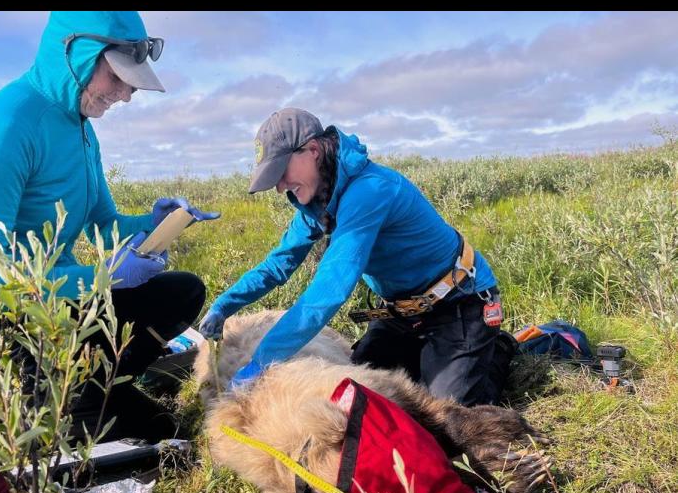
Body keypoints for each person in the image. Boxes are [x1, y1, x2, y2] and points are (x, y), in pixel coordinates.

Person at [0, 11, 219, 442]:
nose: (126, 94)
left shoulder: (81, 128)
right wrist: (103, 277)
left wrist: (155, 223)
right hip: (15, 328)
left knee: (184, 291)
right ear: (75, 53)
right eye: (118, 77)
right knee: (162, 432)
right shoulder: (1, 129)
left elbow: (104, 224)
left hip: (64, 305)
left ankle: (94, 386)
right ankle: (55, 399)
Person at [199, 108, 507, 407]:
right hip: (402, 315)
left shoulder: (370, 191)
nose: (280, 187)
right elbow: (278, 265)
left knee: (447, 409)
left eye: (281, 171)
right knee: (362, 395)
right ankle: (435, 355)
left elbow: (329, 290)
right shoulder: (316, 202)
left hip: (458, 304)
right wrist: (223, 305)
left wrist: (262, 360)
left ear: (313, 150)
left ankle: (496, 347)